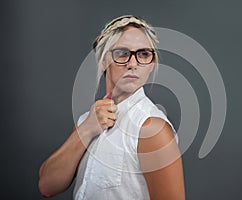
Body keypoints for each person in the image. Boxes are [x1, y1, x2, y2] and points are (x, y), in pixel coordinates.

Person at [38, 15, 185, 200]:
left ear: (151, 64)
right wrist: (86, 130)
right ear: (103, 61)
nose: (133, 64)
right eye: (122, 53)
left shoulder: (151, 129)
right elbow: (47, 186)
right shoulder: (87, 120)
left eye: (144, 54)